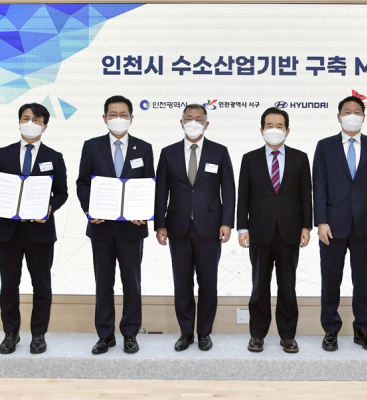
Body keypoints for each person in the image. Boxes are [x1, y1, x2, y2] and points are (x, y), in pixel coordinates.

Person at [0, 102, 68, 355]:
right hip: (7, 231)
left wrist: (50, 208)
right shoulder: (3, 153)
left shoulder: (54, 157)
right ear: (18, 121)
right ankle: (10, 333)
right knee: (9, 284)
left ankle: (38, 334)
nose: (29, 123)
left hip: (40, 231)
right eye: (25, 118)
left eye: (35, 119)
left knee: (41, 284)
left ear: (45, 125)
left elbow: (62, 193)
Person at [312, 96, 367, 352]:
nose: (352, 115)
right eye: (347, 112)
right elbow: (319, 187)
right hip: (332, 226)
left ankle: (362, 329)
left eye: (357, 112)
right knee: (330, 279)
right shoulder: (324, 146)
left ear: (364, 117)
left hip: (366, 225)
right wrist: (320, 221)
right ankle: (331, 330)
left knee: (363, 280)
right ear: (338, 117)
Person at [154, 104, 235, 352]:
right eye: (188, 118)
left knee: (208, 283)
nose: (193, 122)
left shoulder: (219, 152)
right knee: (182, 282)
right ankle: (186, 332)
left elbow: (229, 190)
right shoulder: (168, 153)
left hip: (210, 228)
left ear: (206, 124)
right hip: (177, 227)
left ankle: (204, 332)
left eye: (198, 118)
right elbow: (161, 192)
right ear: (181, 122)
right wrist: (160, 224)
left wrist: (227, 222)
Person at [76, 95, 154, 354]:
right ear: (104, 118)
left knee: (132, 282)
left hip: (132, 228)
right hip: (101, 226)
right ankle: (105, 335)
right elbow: (83, 183)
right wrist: (90, 209)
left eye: (123, 114)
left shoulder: (144, 148)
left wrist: (143, 211)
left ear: (132, 118)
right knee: (103, 281)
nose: (118, 119)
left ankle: (130, 333)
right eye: (113, 114)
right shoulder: (91, 146)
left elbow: (149, 185)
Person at [237, 107, 312, 354]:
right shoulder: (249, 159)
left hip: (290, 230)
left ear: (287, 131)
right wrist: (242, 227)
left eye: (279, 126)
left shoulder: (301, 158)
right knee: (259, 285)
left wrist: (306, 226)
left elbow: (305, 196)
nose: (274, 130)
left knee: (287, 286)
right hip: (259, 231)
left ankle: (288, 335)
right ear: (261, 130)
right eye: (269, 125)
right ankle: (257, 335)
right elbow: (243, 197)